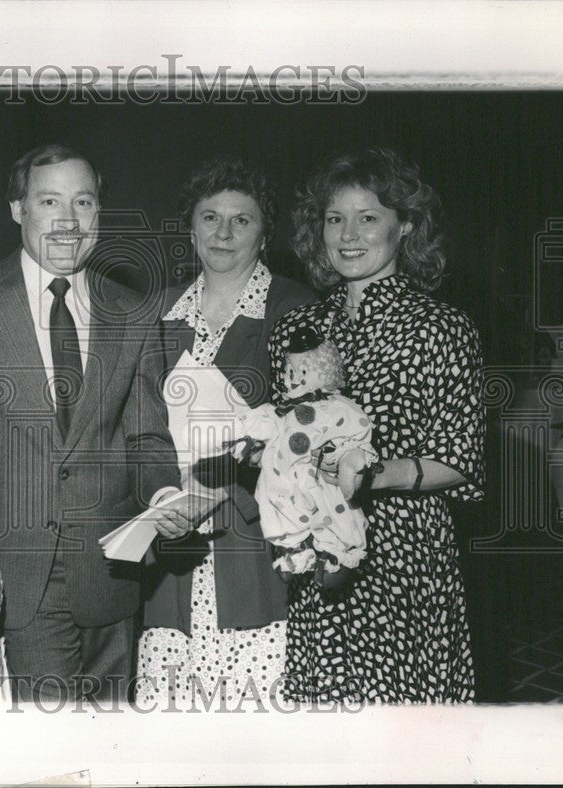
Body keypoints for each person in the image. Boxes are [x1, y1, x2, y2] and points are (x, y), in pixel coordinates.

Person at [0, 144, 194, 702]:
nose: (69, 221)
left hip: (112, 569)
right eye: (49, 201)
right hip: (13, 564)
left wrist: (166, 494)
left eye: (84, 202)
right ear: (18, 209)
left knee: (111, 748)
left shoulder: (135, 311)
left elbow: (147, 434)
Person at [269, 147, 485, 702]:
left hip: (405, 563)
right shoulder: (297, 328)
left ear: (405, 225)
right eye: (334, 218)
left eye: (368, 217)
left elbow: (460, 460)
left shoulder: (441, 329)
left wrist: (371, 475)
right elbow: (279, 443)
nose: (348, 234)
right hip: (322, 562)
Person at [136, 157, 313, 706]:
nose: (223, 232)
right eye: (210, 217)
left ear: (265, 233)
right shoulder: (158, 313)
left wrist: (235, 469)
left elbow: (312, 434)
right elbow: (139, 427)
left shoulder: (295, 308)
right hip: (174, 542)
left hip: (258, 543)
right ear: (190, 228)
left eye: (242, 219)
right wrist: (164, 495)